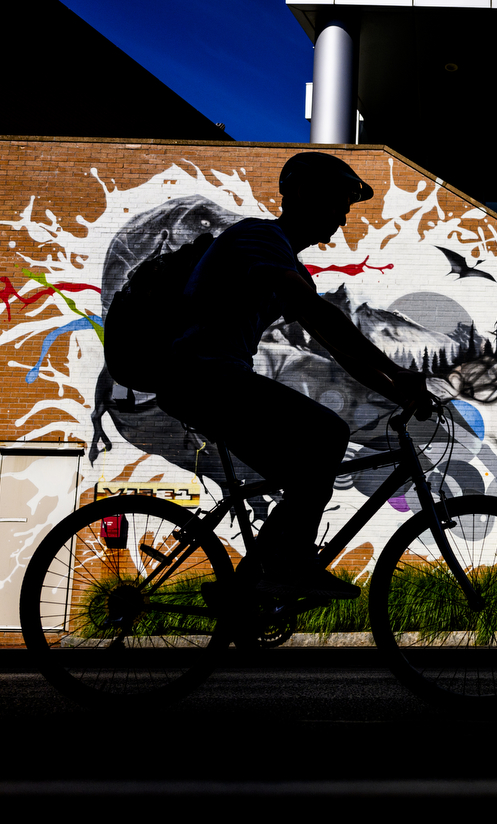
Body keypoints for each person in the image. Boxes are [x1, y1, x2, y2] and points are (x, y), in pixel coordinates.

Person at [155, 152, 428, 600]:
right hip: (201, 375)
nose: (343, 219)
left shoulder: (286, 262)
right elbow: (318, 314)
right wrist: (398, 370)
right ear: (302, 192)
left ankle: (247, 589)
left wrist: (399, 393)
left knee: (305, 477)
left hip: (207, 380)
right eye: (338, 202)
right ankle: (286, 567)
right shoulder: (259, 237)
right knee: (326, 435)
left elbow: (336, 347)